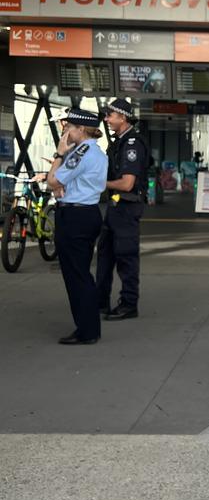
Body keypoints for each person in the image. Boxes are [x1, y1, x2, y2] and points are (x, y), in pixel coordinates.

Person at [46, 109, 108, 345]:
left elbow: (54, 180)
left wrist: (58, 154)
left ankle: (87, 330)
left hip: (74, 217)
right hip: (88, 212)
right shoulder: (97, 153)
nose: (65, 132)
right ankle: (90, 327)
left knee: (76, 276)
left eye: (68, 127)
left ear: (81, 129)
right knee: (81, 273)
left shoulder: (79, 152)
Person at [96, 98, 149, 321]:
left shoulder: (132, 145)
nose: (106, 120)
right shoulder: (118, 142)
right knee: (105, 255)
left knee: (126, 257)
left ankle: (129, 304)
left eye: (110, 115)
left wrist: (98, 183)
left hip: (127, 207)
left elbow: (127, 183)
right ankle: (100, 302)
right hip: (115, 206)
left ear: (123, 117)